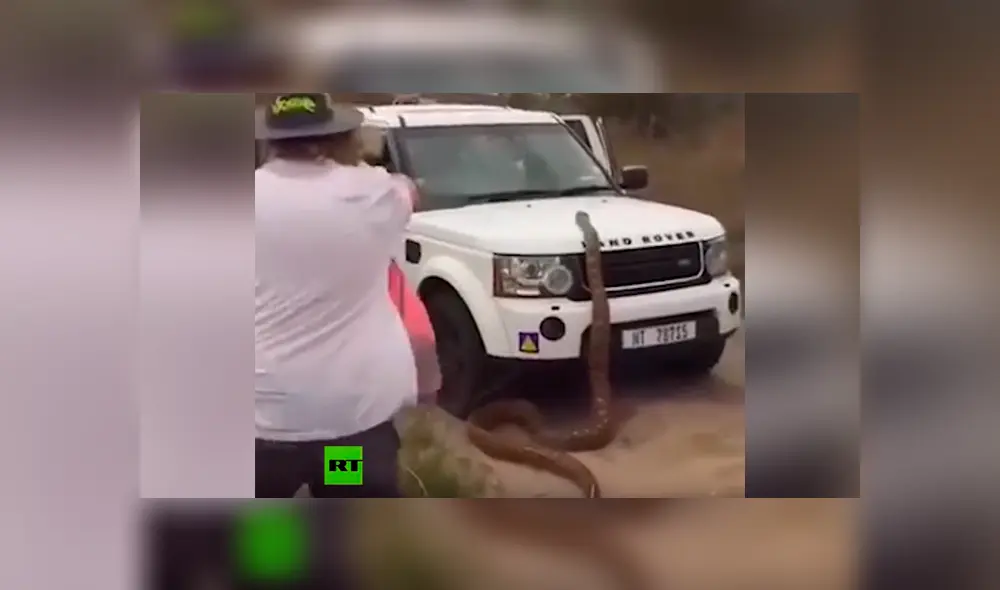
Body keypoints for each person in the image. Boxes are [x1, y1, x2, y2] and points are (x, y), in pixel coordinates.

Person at [255, 93, 416, 497]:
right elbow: (411, 190)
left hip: (263, 422)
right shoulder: (373, 194)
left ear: (271, 141)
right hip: (347, 421)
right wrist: (356, 161)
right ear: (339, 137)